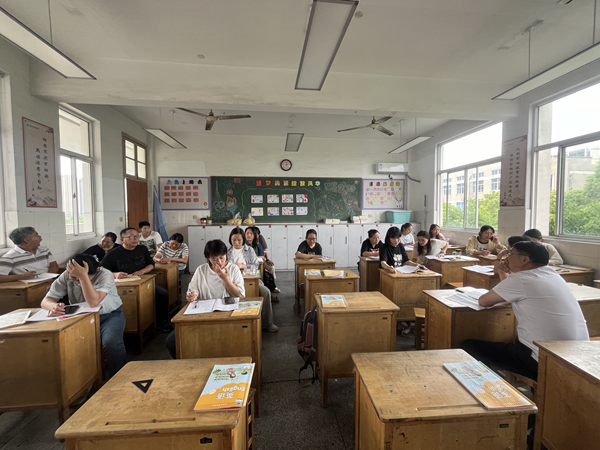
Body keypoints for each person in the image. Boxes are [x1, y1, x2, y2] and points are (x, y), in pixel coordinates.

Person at [461, 241, 589, 381]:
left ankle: (487, 388)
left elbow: (484, 301)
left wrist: (503, 273)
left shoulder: (521, 279)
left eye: (510, 254)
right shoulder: (553, 275)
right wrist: (504, 274)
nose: (507, 258)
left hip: (543, 361)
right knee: (515, 340)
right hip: (576, 356)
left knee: (469, 345)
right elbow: (511, 293)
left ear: (524, 259)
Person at [41, 254, 126, 379]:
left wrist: (83, 277)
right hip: (80, 317)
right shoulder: (68, 274)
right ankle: (83, 381)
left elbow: (93, 302)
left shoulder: (105, 274)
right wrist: (52, 306)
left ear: (96, 270)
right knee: (69, 346)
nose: (76, 281)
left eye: (78, 278)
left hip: (109, 316)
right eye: (74, 278)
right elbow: (46, 300)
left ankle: (118, 378)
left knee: (111, 343)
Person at [165, 240, 245, 358]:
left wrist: (225, 279)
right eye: (214, 259)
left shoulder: (233, 269)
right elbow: (193, 291)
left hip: (227, 315)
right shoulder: (201, 270)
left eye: (221, 258)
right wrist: (192, 296)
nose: (219, 262)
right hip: (203, 315)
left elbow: (238, 294)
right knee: (171, 341)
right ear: (208, 258)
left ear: (226, 254)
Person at [101, 227, 171, 331]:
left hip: (143, 281)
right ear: (122, 240)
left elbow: (151, 264)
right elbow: (100, 271)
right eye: (131, 237)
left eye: (137, 236)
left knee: (163, 294)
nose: (135, 239)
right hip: (123, 285)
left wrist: (142, 271)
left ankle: (162, 321)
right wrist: (115, 274)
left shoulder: (142, 249)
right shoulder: (113, 254)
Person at [228, 227, 278, 332]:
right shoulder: (227, 252)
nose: (236, 242)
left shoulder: (249, 250)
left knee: (266, 292)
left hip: (250, 278)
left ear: (243, 239)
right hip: (233, 281)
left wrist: (243, 266)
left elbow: (255, 265)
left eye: (239, 240)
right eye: (234, 240)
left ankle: (267, 322)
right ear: (230, 240)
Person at [245, 226, 279, 297]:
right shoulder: (243, 245)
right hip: (246, 265)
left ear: (255, 235)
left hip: (259, 263)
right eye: (247, 233)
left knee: (270, 269)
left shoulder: (258, 245)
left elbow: (262, 256)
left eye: (251, 233)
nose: (249, 235)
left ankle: (271, 287)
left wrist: (266, 259)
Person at [254, 226, 280, 293]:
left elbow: (265, 250)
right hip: (252, 262)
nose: (255, 236)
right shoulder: (247, 242)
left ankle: (273, 286)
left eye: (256, 234)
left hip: (261, 260)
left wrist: (267, 259)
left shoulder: (260, 238)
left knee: (271, 267)